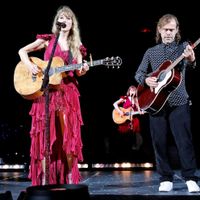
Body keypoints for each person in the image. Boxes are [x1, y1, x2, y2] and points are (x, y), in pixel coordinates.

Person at [18, 5, 89, 186]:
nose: (64, 20)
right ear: (57, 22)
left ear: (72, 23)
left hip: (67, 92)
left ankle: (71, 176)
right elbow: (22, 51)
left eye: (68, 18)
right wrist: (30, 66)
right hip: (46, 92)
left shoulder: (77, 46)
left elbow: (79, 71)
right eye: (61, 18)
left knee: (68, 136)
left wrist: (83, 70)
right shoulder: (48, 40)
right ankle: (43, 178)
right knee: (44, 136)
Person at [135, 13, 200, 192]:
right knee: (159, 142)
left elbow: (192, 65)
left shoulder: (183, 48)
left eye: (172, 29)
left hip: (179, 101)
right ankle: (165, 178)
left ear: (177, 30)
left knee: (184, 141)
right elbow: (139, 74)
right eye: (165, 30)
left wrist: (191, 58)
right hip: (156, 104)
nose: (169, 33)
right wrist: (146, 80)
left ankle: (190, 178)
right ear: (159, 30)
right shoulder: (151, 52)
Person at [113, 85, 143, 150]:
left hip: (133, 118)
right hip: (124, 118)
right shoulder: (125, 98)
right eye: (131, 90)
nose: (133, 92)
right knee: (123, 134)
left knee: (135, 131)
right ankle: (123, 148)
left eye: (134, 90)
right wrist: (120, 111)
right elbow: (115, 104)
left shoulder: (136, 100)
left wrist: (140, 112)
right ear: (129, 91)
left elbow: (138, 109)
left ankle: (136, 147)